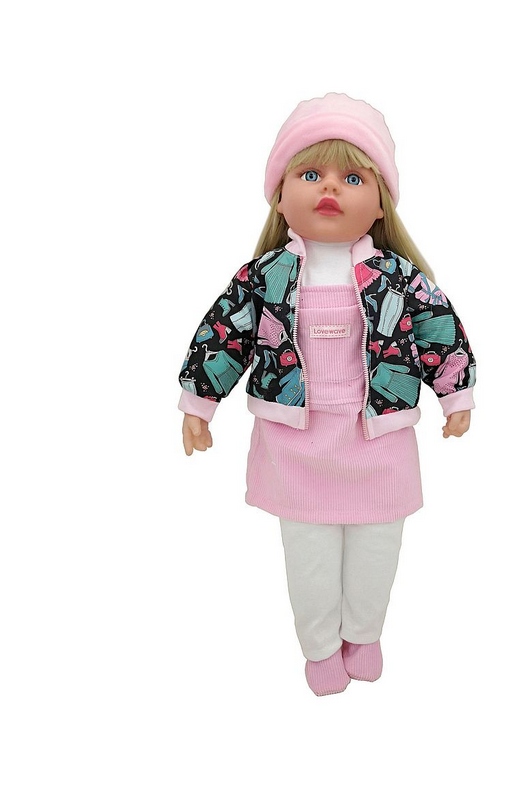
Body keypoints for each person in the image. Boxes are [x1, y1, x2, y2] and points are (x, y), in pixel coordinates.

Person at [178, 93, 476, 696]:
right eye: (310, 175)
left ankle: (363, 635)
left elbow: (438, 331)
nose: (330, 188)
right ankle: (319, 649)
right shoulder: (262, 279)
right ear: (280, 194)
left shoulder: (399, 279)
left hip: (379, 440)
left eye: (352, 178)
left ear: (380, 202)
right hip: (295, 444)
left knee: (376, 550)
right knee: (309, 557)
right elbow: (224, 335)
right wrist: (199, 405)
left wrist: (456, 397)